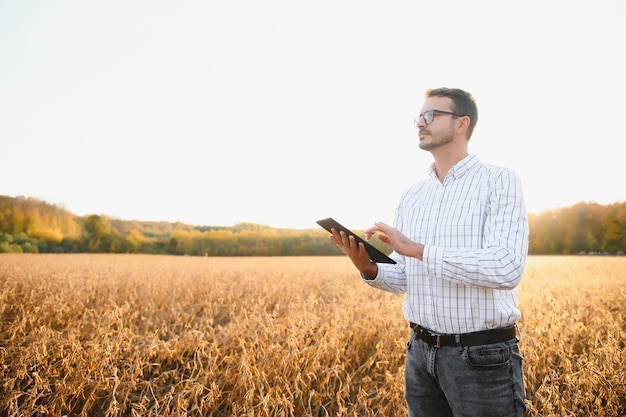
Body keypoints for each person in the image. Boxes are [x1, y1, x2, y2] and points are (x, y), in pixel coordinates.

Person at [330, 87, 528, 417]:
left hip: (481, 357)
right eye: (419, 117)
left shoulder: (499, 180)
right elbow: (407, 277)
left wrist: (419, 250)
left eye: (430, 115)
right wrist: (370, 268)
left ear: (462, 123)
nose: (420, 123)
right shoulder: (412, 196)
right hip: (420, 354)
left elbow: (506, 267)